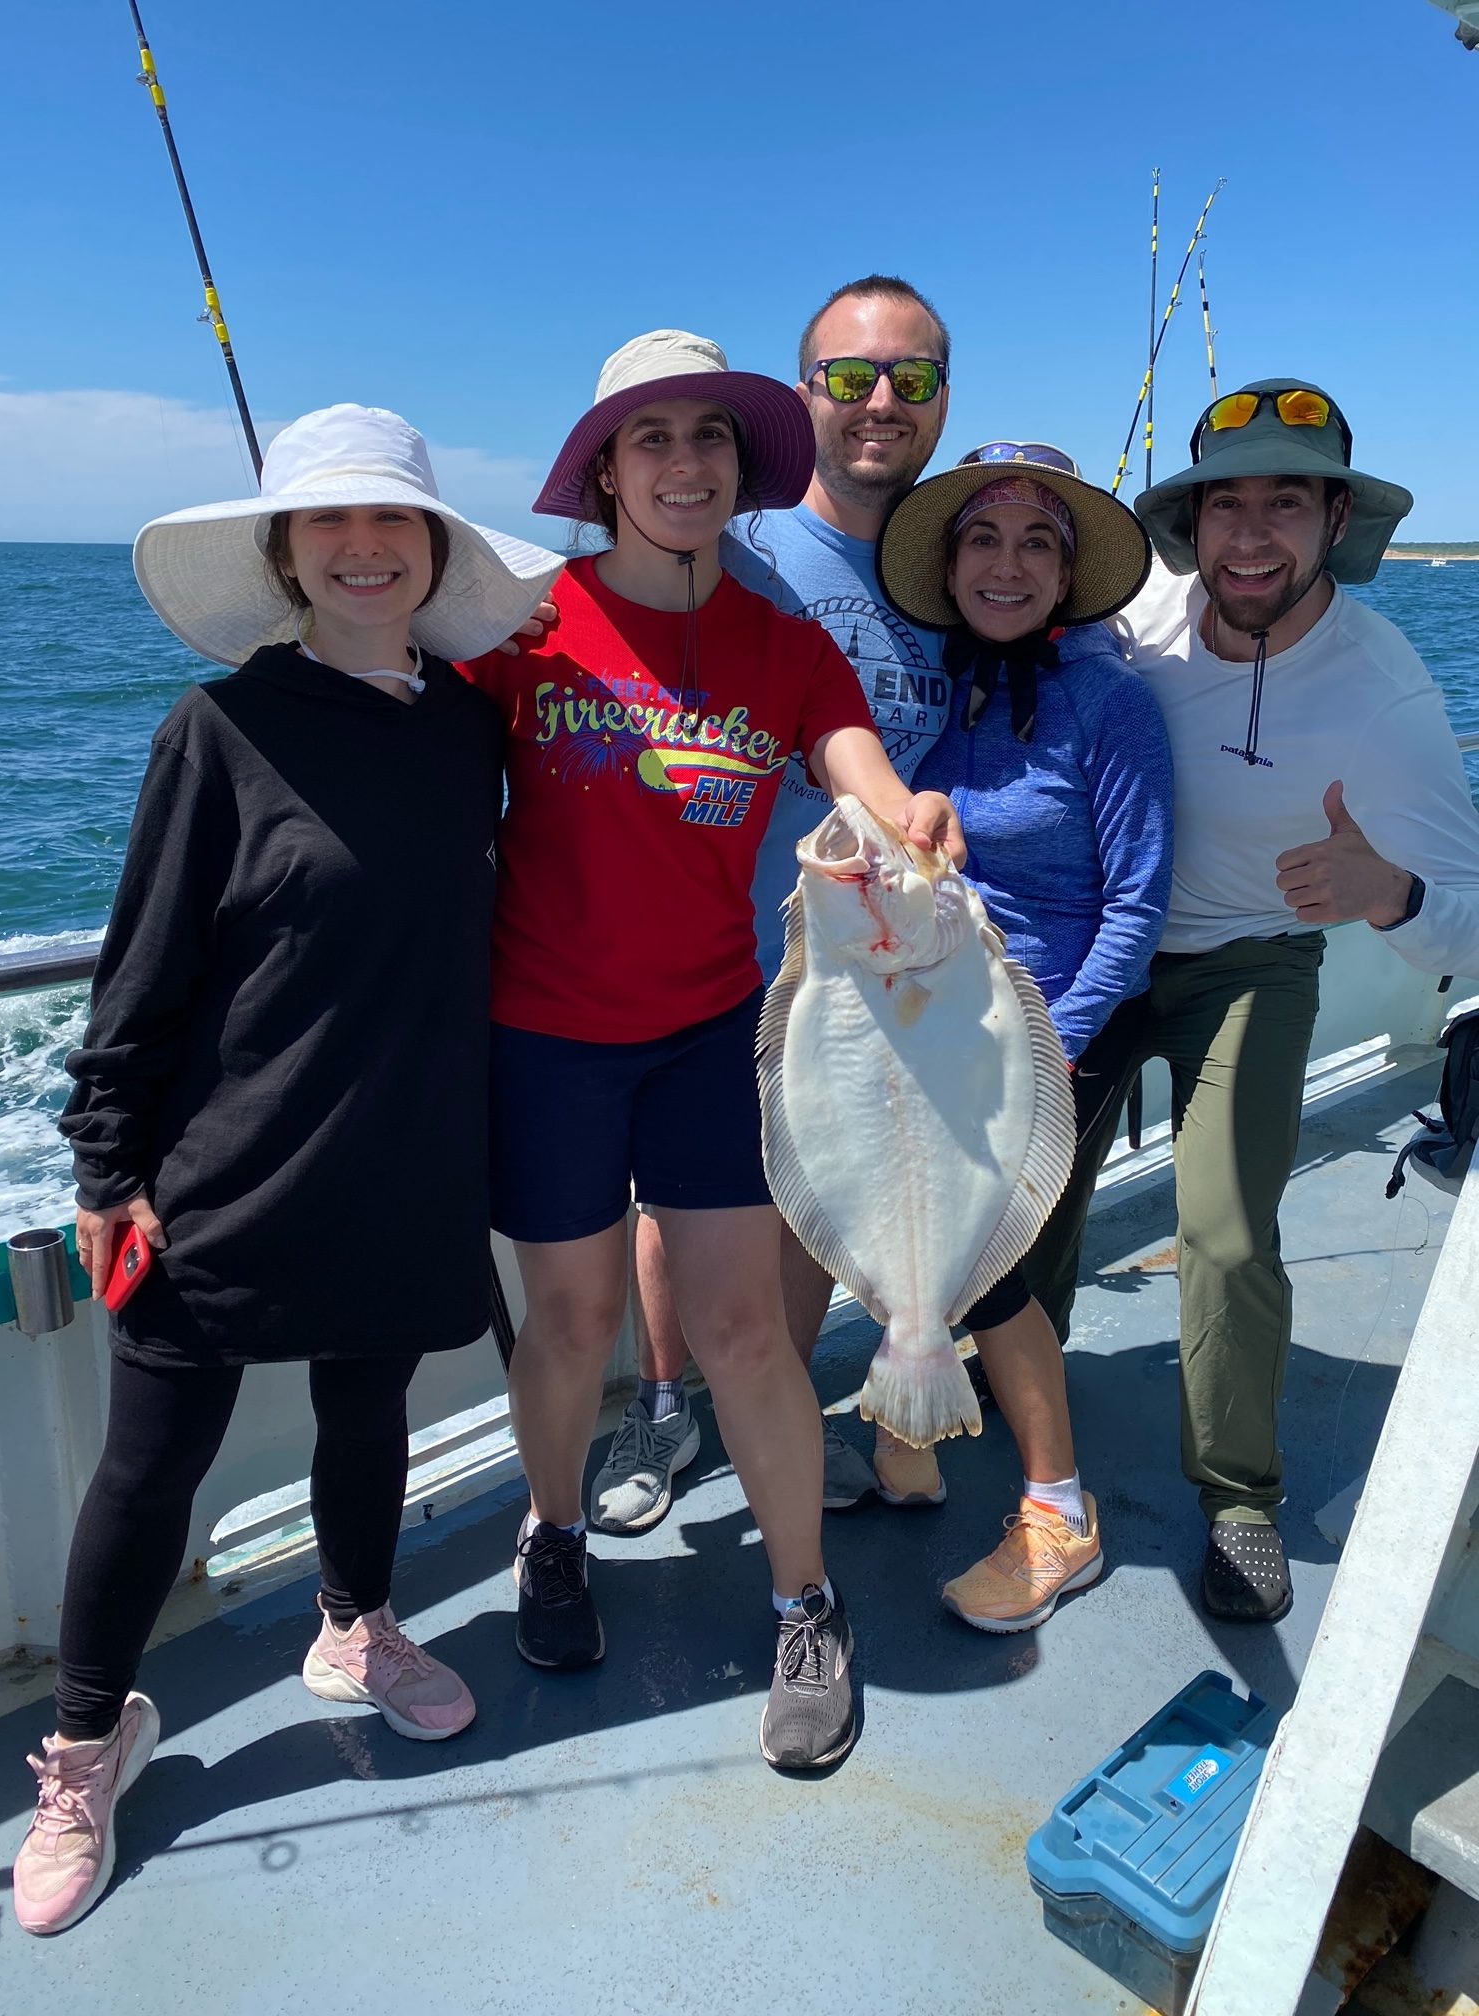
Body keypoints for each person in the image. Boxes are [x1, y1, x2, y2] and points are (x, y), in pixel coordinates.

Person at [11, 405, 564, 1937]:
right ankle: (85, 1746)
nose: (364, 547)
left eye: (393, 521)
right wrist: (108, 1169)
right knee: (151, 1467)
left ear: (435, 551)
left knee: (367, 1411)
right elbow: (141, 972)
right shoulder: (217, 729)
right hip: (224, 1169)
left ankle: (355, 1626)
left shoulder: (470, 728)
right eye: (330, 521)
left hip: (410, 1152)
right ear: (284, 553)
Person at [460, 329, 962, 1769]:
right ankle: (553, 1536)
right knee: (571, 1326)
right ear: (605, 472)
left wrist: (907, 820)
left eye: (711, 438)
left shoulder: (786, 648)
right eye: (653, 438)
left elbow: (860, 771)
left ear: (742, 469)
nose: (685, 463)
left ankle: (806, 1602)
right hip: (543, 1038)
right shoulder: (521, 629)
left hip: (707, 1035)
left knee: (743, 1333)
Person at [1106, 380, 1479, 1622]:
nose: (1252, 535)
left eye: (1286, 503)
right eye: (1226, 504)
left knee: (1221, 1229)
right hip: (1104, 947)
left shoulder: (1384, 693)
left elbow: (1473, 918)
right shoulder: (1141, 613)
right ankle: (1005, 1381)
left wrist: (1390, 892)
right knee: (1032, 1213)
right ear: (1190, 522)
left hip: (1250, 960)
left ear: (1336, 521)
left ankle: (1237, 1497)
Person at [593, 275, 955, 1535]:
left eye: (911, 378)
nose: (880, 401)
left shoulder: (950, 569)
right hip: (714, 955)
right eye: (850, 376)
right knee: (674, 1201)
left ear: (943, 400)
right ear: (805, 399)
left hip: (872, 970)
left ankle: (781, 1411)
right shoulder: (736, 548)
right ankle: (661, 1406)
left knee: (812, 1208)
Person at [873, 443, 1171, 1627]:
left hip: (1044, 1036)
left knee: (984, 1269)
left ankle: (1059, 1512)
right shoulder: (936, 690)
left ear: (1067, 574)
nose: (1008, 565)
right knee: (898, 1241)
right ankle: (907, 1443)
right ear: (950, 569)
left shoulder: (1112, 702)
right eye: (984, 540)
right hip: (928, 1024)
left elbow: (1137, 906)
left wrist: (1056, 1044)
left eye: (1037, 542)